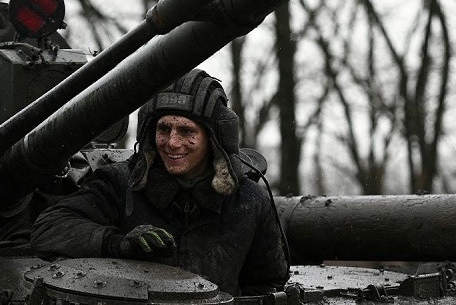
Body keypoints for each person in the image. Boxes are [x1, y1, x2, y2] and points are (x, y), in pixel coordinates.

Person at [30, 69, 289, 296]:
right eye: (163, 129)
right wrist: (118, 244)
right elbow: (49, 228)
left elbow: (267, 284)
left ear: (215, 139)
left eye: (187, 131)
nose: (172, 143)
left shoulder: (248, 200)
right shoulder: (123, 183)